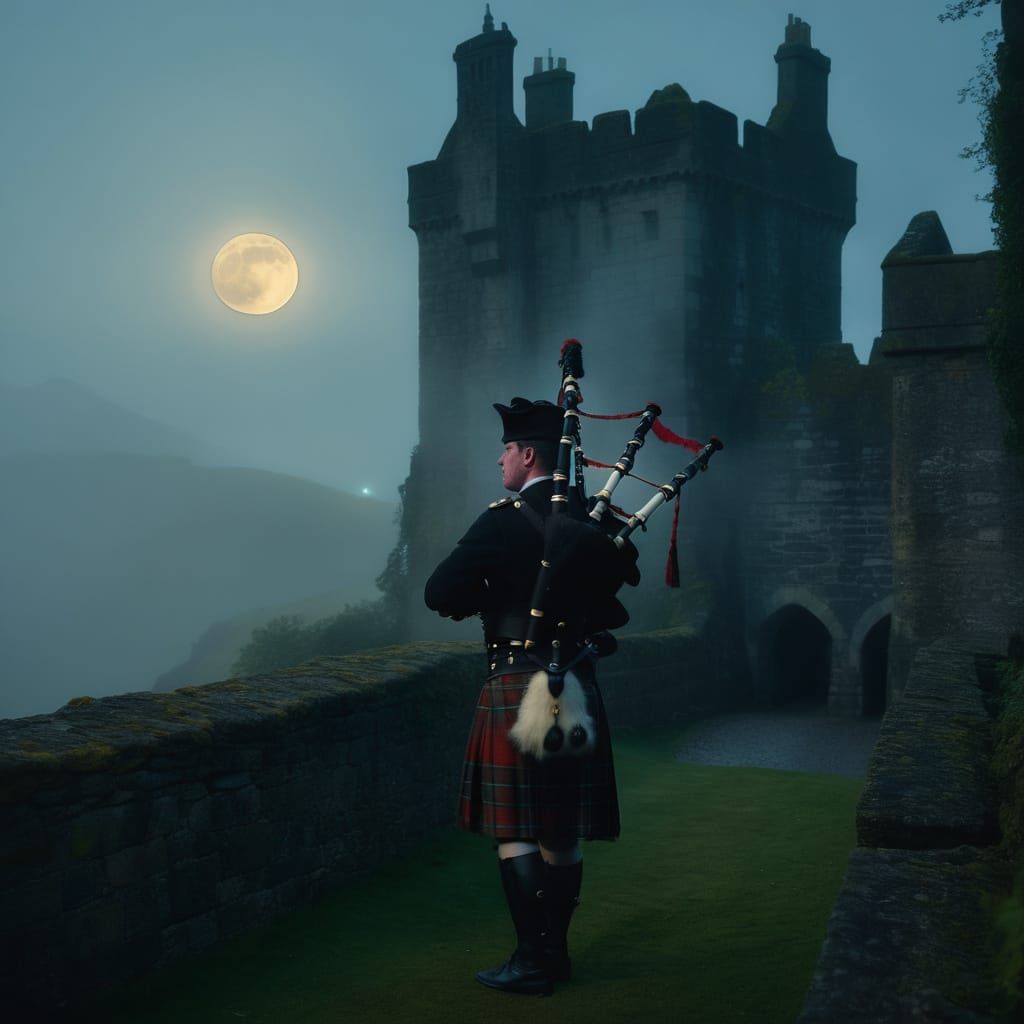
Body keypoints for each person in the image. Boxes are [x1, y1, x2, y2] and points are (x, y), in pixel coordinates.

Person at [424, 396, 639, 995]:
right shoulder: (594, 523)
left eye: (505, 451)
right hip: (576, 683)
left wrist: (490, 594)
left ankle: (532, 959)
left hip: (516, 683)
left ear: (526, 454)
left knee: (517, 827)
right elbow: (615, 604)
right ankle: (555, 954)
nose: (498, 461)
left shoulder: (500, 520)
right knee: (562, 828)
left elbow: (440, 592)